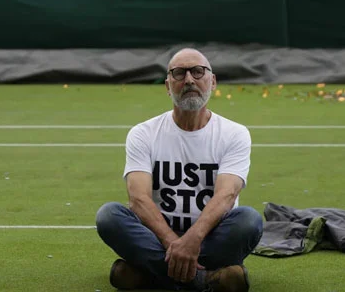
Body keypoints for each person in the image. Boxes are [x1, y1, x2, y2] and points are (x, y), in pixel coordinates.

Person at [96, 48, 263, 292]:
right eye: (179, 73)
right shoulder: (144, 133)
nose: (189, 80)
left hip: (210, 238)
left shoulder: (234, 134)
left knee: (249, 220)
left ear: (212, 81)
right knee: (109, 216)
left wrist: (193, 240)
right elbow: (138, 199)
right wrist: (174, 243)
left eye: (198, 72)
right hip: (157, 238)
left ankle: (150, 277)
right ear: (167, 85)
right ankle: (205, 280)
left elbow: (226, 196)